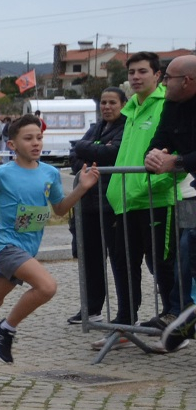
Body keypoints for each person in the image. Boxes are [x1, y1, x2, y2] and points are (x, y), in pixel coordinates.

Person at [0, 115, 100, 375]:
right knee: (47, 286)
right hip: (4, 245)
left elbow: (60, 209)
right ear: (12, 144)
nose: (36, 143)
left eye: (39, 138)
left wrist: (82, 188)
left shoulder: (49, 173)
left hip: (27, 249)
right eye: (28, 138)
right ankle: (5, 329)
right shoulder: (2, 174)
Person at [106, 52, 179, 329]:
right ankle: (125, 321)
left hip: (157, 200)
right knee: (124, 264)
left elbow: (176, 157)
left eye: (142, 71)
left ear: (157, 75)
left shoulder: (167, 105)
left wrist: (147, 185)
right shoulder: (131, 109)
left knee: (163, 265)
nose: (135, 77)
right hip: (125, 202)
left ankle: (176, 322)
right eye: (131, 72)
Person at [142, 55, 196, 351]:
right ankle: (180, 314)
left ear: (187, 81)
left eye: (168, 79)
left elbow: (179, 157)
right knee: (187, 249)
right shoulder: (172, 105)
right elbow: (159, 141)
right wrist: (152, 156)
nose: (164, 83)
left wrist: (176, 160)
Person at [68, 87, 126, 326]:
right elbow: (74, 157)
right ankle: (92, 307)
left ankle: (126, 312)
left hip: (111, 204)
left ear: (123, 104)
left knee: (119, 259)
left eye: (112, 102)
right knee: (90, 258)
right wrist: (91, 150)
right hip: (88, 204)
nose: (107, 107)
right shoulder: (96, 127)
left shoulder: (125, 127)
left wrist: (86, 149)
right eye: (103, 102)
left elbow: (112, 154)